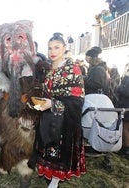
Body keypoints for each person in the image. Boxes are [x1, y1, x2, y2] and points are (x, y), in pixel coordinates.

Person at [32, 33, 86, 188]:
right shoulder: (48, 69)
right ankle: (49, 173)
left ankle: (55, 178)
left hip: (64, 121)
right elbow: (44, 93)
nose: (52, 51)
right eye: (49, 48)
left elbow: (78, 101)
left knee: (58, 150)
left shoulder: (73, 69)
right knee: (47, 147)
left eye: (56, 47)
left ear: (64, 49)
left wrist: (53, 104)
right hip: (47, 119)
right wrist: (37, 104)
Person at [116, 63, 129, 159]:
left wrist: (119, 87)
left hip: (127, 105)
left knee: (125, 127)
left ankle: (125, 149)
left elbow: (126, 91)